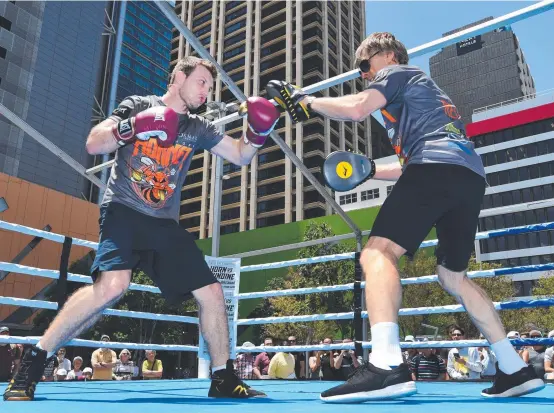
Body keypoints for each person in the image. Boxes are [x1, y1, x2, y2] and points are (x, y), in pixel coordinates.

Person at [267, 32, 545, 402]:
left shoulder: (398, 73)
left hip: (436, 169)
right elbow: (410, 165)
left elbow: (356, 109)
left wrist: (307, 100)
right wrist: (368, 171)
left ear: (388, 55)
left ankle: (385, 365)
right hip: (467, 175)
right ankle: (515, 368)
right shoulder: (421, 99)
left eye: (365, 65)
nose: (364, 74)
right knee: (452, 276)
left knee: (376, 254)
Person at [4, 56, 279, 401]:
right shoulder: (138, 105)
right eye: (202, 82)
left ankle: (223, 377)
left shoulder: (199, 127)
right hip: (124, 210)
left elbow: (240, 155)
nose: (207, 91)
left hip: (164, 223)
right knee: (112, 286)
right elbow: (94, 143)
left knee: (211, 292)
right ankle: (34, 360)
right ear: (179, 77)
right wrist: (133, 126)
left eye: (210, 86)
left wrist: (259, 132)